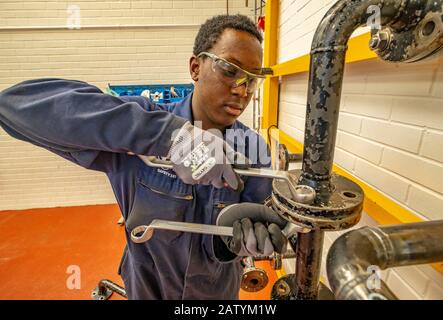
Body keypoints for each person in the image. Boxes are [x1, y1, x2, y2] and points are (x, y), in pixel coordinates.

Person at [0, 14, 288, 299]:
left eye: (252, 80)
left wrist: (245, 242)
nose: (242, 90)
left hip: (215, 292)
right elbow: (14, 106)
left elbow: (251, 225)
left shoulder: (252, 148)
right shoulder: (141, 123)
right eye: (229, 70)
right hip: (147, 288)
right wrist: (167, 137)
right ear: (195, 66)